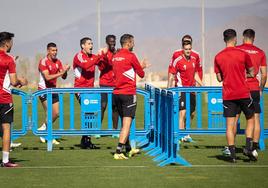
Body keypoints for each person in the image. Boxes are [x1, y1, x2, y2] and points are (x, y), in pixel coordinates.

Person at [223, 29, 267, 158]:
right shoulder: (260, 52)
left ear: (242, 38)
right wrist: (261, 89)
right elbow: (264, 75)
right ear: (254, 38)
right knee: (255, 118)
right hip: (254, 89)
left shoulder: (238, 50)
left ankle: (231, 147)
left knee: (234, 119)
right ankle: (253, 147)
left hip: (240, 88)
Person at [214, 29, 256, 163]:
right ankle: (248, 147)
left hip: (229, 95)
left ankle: (232, 155)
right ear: (235, 39)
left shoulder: (218, 56)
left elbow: (219, 78)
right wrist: (245, 74)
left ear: (224, 39)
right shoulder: (243, 54)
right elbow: (252, 72)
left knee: (229, 126)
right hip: (243, 93)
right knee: (250, 119)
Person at [112, 34, 150, 159]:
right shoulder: (131, 56)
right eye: (133, 42)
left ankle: (128, 148)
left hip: (116, 93)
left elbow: (124, 71)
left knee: (124, 123)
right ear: (128, 43)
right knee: (127, 123)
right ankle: (118, 152)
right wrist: (142, 66)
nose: (134, 44)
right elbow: (141, 73)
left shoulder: (115, 56)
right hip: (128, 93)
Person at [0, 31, 28, 167]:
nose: (12, 44)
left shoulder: (10, 58)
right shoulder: (8, 59)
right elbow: (13, 80)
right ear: (6, 43)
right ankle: (5, 161)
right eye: (11, 42)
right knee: (6, 129)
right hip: (4, 98)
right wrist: (22, 81)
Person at [168, 40, 203, 142]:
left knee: (192, 113)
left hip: (191, 90)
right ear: (183, 49)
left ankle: (186, 133)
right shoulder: (178, 60)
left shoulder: (193, 59)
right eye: (186, 49)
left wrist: (202, 85)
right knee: (182, 113)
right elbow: (172, 75)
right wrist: (171, 89)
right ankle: (181, 135)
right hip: (181, 90)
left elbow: (195, 74)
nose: (188, 51)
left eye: (189, 49)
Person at [73, 37, 105, 149]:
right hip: (80, 90)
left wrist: (105, 56)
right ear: (83, 46)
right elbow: (86, 65)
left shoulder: (93, 57)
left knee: (91, 114)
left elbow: (103, 66)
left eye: (92, 43)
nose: (91, 45)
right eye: (89, 43)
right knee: (89, 112)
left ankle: (85, 139)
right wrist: (99, 56)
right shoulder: (79, 56)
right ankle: (86, 140)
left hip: (90, 90)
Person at [37, 42, 70, 145]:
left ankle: (43, 129)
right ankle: (49, 136)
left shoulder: (58, 62)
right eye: (53, 50)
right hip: (44, 90)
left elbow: (64, 77)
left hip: (53, 90)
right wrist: (61, 73)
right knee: (50, 113)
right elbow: (47, 77)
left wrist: (65, 71)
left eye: (56, 50)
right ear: (48, 51)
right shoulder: (43, 62)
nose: (55, 52)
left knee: (56, 114)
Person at [97, 35, 119, 132]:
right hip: (104, 83)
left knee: (115, 107)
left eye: (113, 41)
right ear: (107, 42)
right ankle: (98, 130)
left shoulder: (118, 53)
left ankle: (114, 130)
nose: (112, 43)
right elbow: (101, 67)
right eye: (110, 42)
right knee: (103, 106)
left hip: (115, 84)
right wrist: (104, 56)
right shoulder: (103, 53)